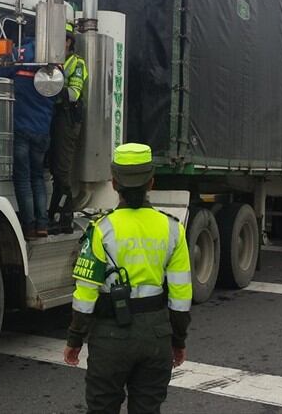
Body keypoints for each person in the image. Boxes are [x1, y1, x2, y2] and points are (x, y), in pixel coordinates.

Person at [63, 143, 192, 414]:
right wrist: (177, 341)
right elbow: (181, 299)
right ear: (151, 182)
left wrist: (75, 340)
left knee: (102, 407)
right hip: (156, 336)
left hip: (111, 337)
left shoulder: (100, 230)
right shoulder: (173, 230)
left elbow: (85, 296)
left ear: (113, 183)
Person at [6, 38, 55, 240]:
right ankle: (42, 225)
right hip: (43, 130)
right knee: (37, 178)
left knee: (23, 180)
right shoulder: (54, 61)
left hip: (21, 129)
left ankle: (28, 226)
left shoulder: (19, 54)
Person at [48, 22, 89, 234]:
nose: (58, 43)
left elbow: (74, 93)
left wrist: (53, 88)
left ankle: (64, 216)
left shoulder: (76, 63)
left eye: (62, 39)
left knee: (62, 171)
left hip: (67, 119)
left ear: (69, 42)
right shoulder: (48, 62)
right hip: (52, 118)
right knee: (53, 168)